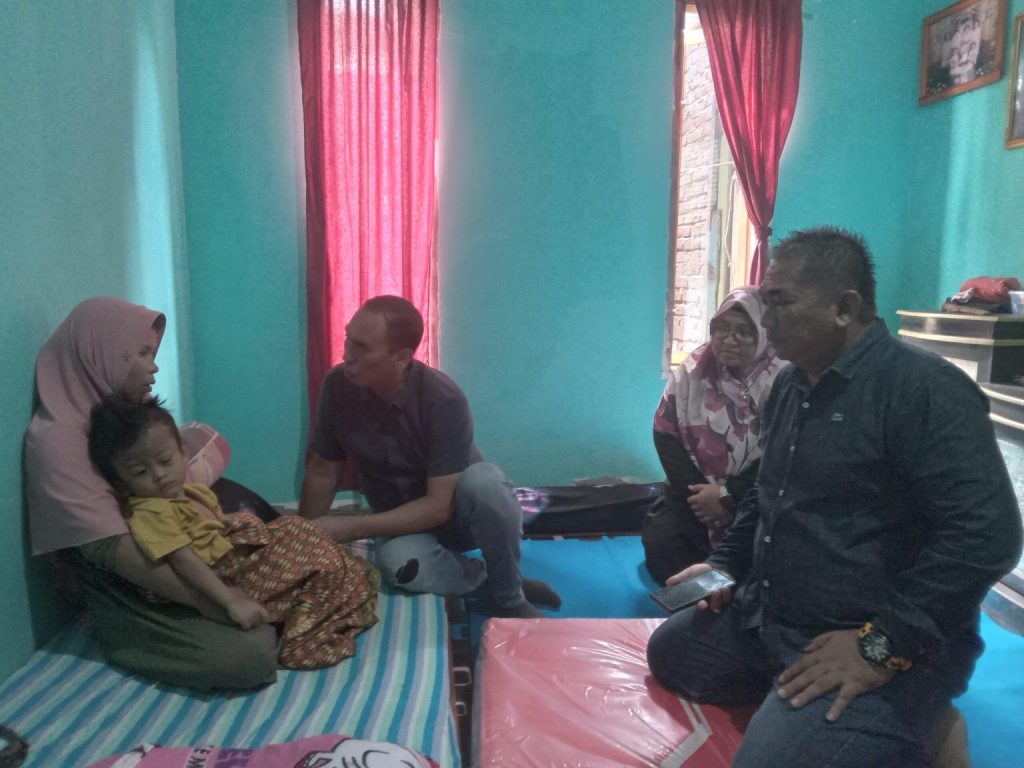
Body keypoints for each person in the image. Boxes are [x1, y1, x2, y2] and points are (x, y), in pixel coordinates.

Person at [646, 227, 1022, 767]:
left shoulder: (923, 389)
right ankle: (815, 703)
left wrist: (879, 645)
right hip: (779, 618)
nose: (766, 318)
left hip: (876, 636)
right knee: (672, 652)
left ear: (844, 308)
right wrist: (724, 565)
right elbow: (767, 493)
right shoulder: (791, 386)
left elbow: (988, 536)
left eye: (781, 302)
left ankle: (925, 720)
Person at [25, 297, 279, 688]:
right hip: (131, 585)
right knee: (248, 657)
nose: (154, 366)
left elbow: (182, 493)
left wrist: (231, 569)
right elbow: (115, 553)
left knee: (287, 559)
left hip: (188, 557)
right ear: (101, 354)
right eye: (142, 353)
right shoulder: (56, 442)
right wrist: (219, 602)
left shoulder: (134, 413)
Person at [299, 295, 560, 618]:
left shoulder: (443, 399)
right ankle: (487, 582)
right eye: (348, 339)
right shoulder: (338, 386)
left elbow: (439, 507)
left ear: (401, 357)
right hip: (401, 523)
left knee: (486, 482)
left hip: (460, 516)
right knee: (398, 565)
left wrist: (349, 528)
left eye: (361, 347)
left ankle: (510, 596)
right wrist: (303, 540)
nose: (346, 355)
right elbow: (324, 469)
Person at [87, 396, 380, 670]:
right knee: (314, 554)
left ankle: (337, 583)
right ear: (122, 484)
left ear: (183, 453)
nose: (159, 475)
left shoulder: (192, 493)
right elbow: (183, 560)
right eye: (141, 472)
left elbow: (218, 525)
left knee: (300, 531)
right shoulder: (150, 513)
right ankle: (306, 631)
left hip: (237, 554)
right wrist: (230, 600)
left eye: (165, 461)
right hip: (226, 575)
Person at [642, 287, 783, 585]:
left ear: (763, 333)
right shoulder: (692, 372)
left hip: (754, 499)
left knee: (769, 554)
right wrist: (702, 498)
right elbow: (665, 433)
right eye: (721, 329)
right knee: (664, 545)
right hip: (694, 496)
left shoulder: (783, 379)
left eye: (744, 332)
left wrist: (728, 494)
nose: (729, 340)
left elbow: (783, 452)